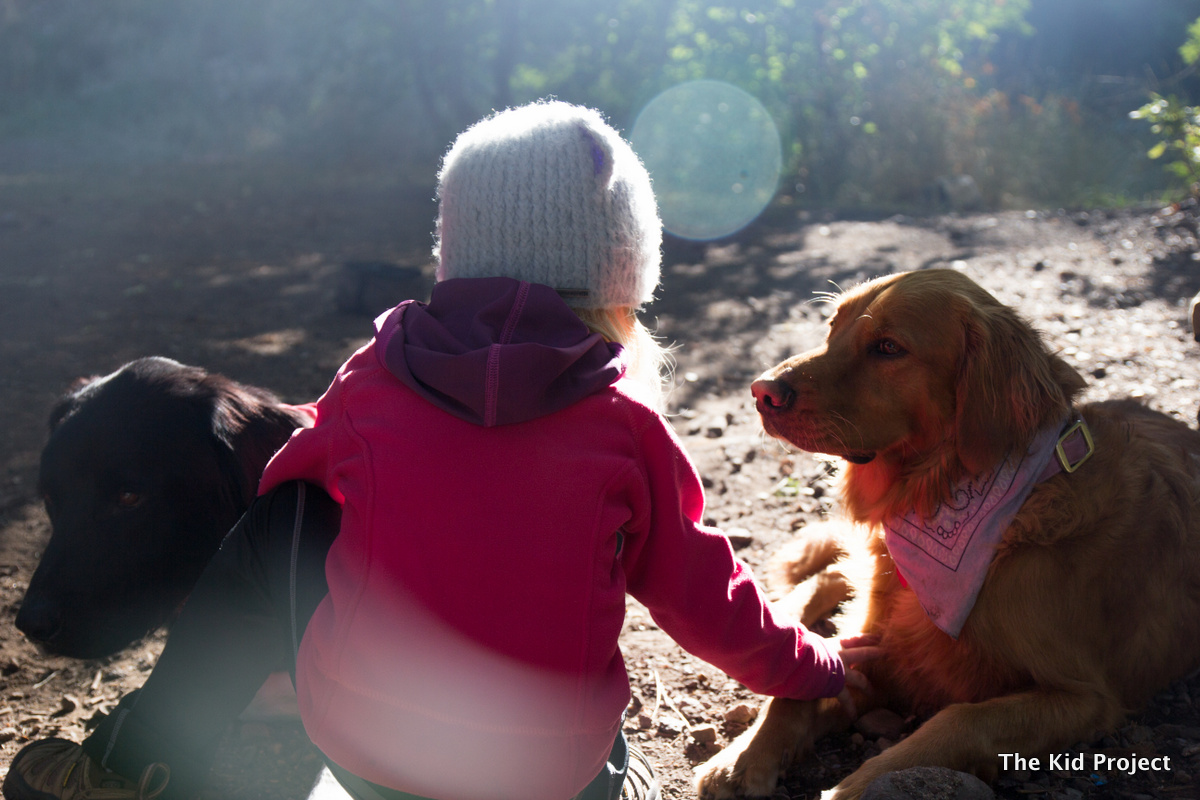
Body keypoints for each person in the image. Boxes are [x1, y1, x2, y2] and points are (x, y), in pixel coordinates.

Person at [2, 100, 879, 800]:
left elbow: (286, 483)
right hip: (544, 781)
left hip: (367, 765)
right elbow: (708, 599)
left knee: (288, 518)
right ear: (623, 280)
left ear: (453, 252)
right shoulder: (626, 432)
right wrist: (818, 667)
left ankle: (133, 761)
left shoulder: (371, 382)